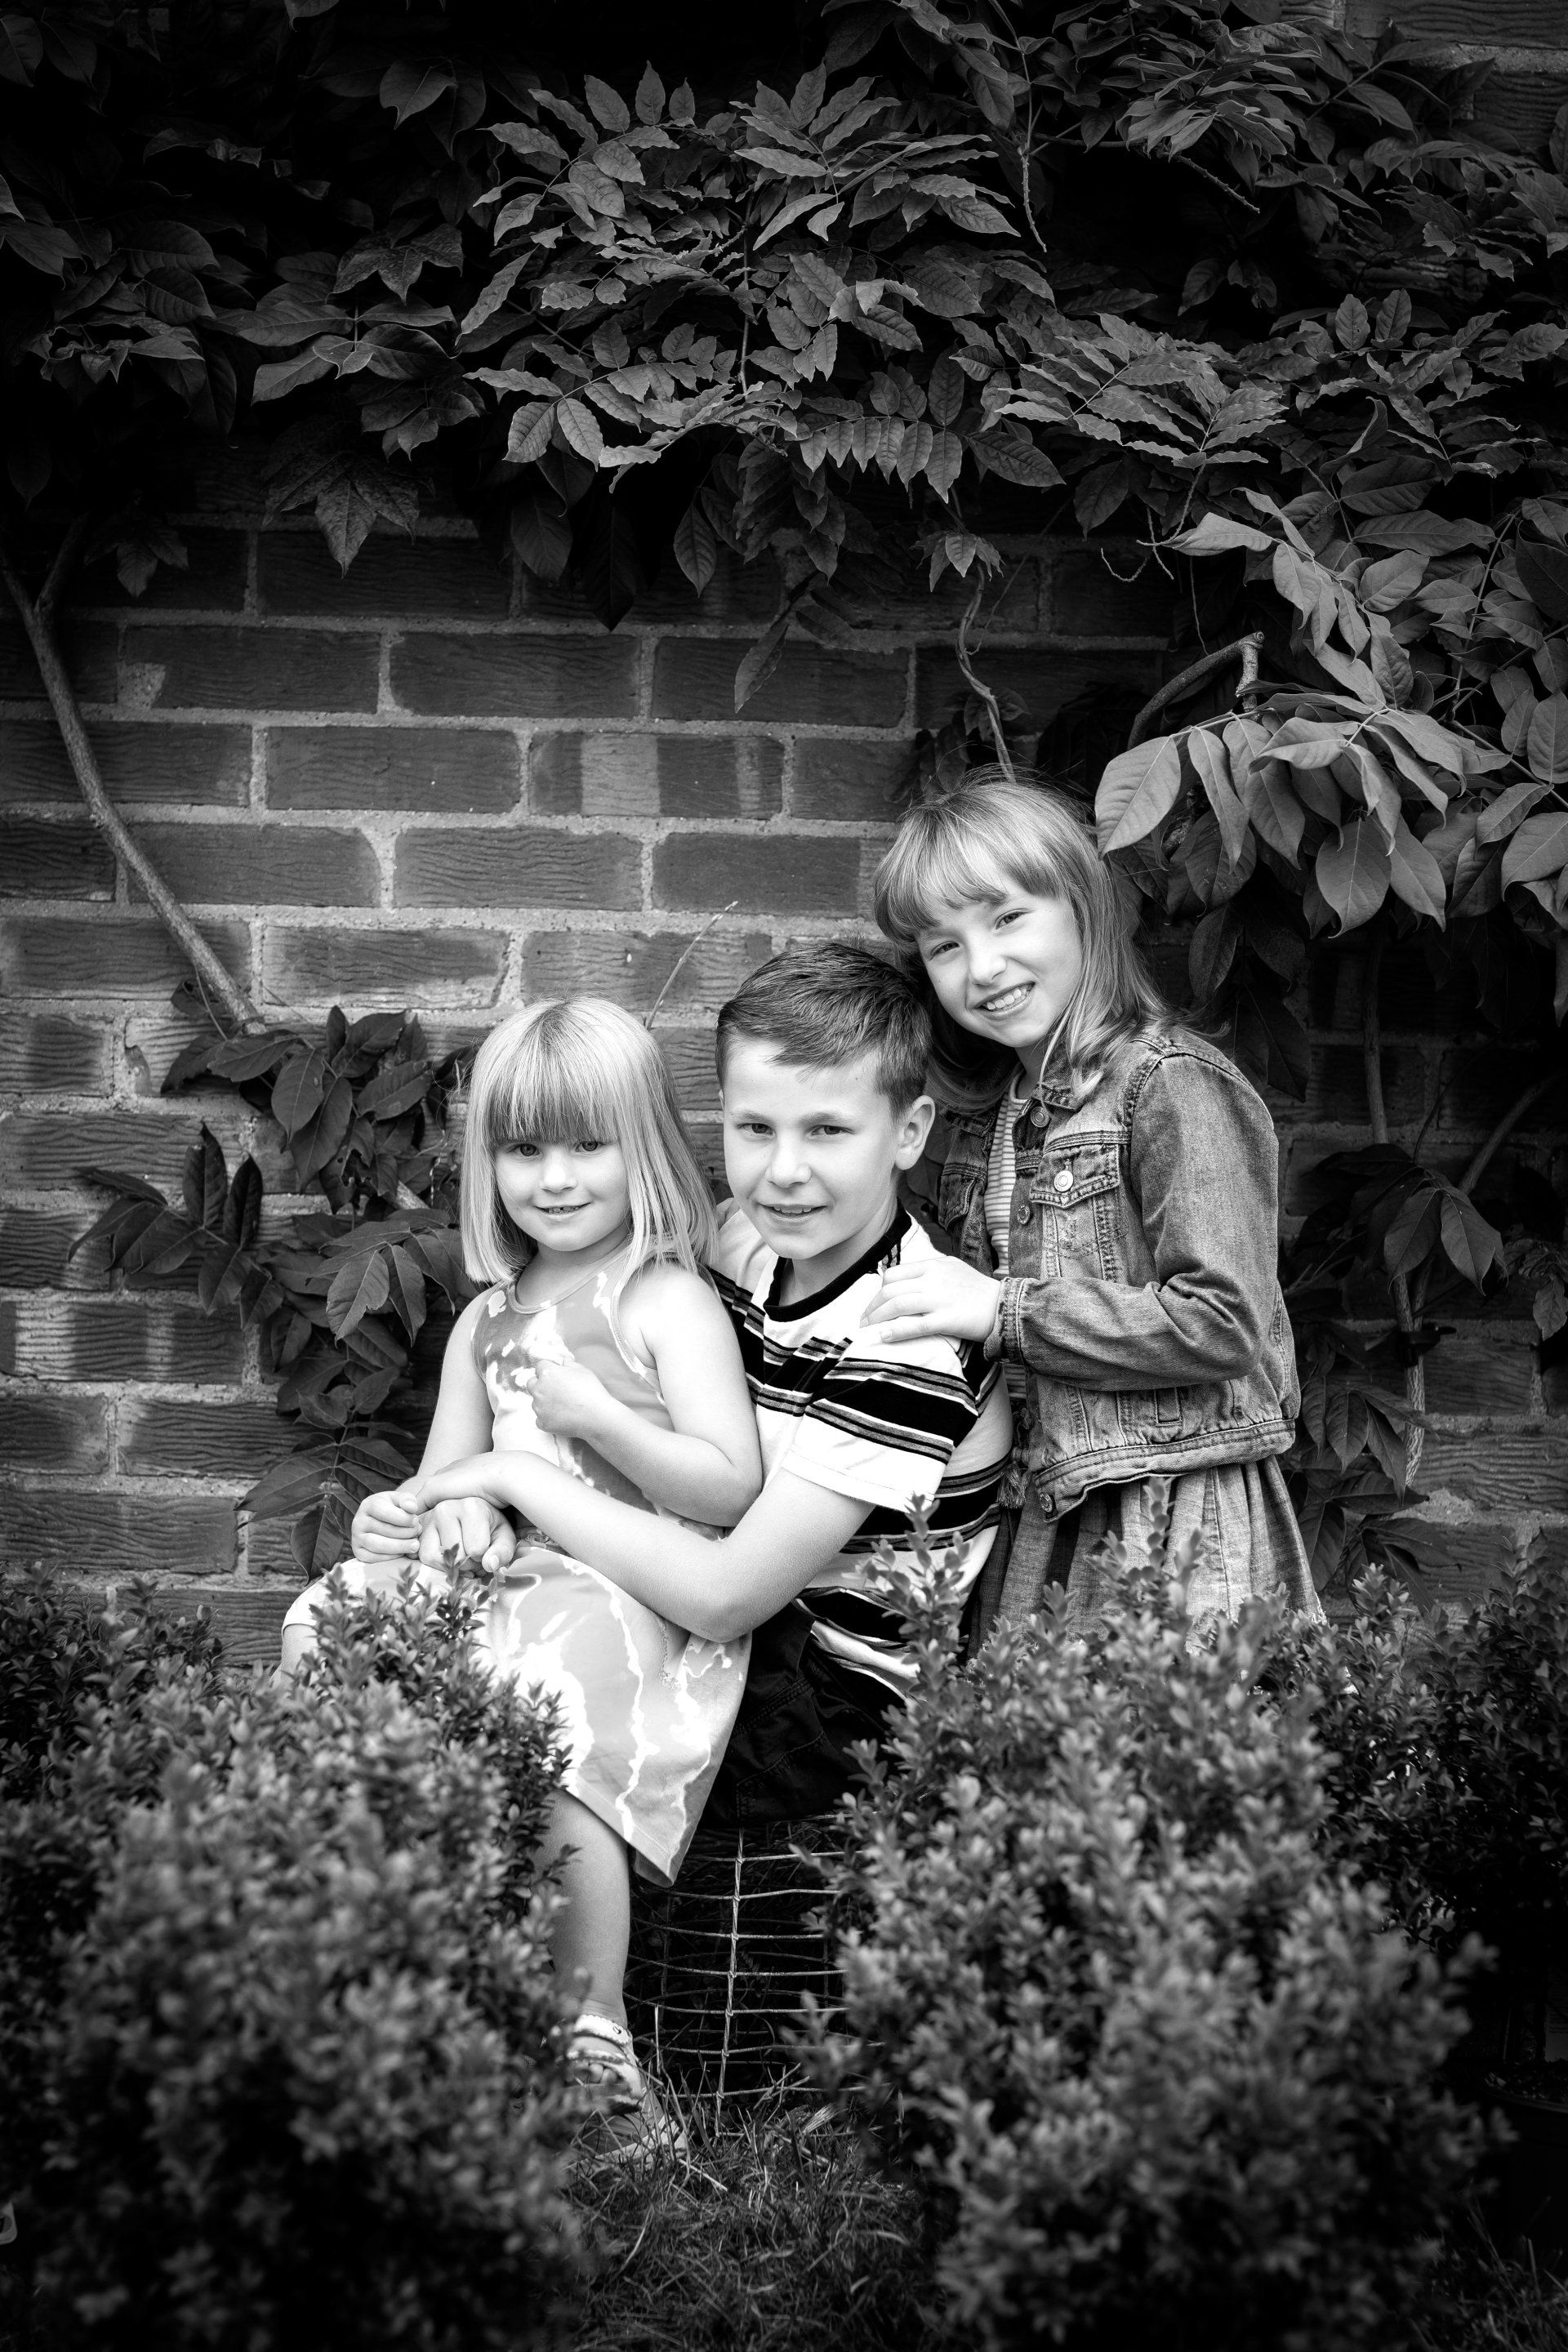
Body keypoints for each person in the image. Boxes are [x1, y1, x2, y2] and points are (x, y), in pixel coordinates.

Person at [279, 998, 764, 2158]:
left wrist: (600, 1417)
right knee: (320, 1621)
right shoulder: (486, 1321)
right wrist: (424, 1518)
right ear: (487, 1163)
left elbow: (726, 1485)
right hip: (512, 1581)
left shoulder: (666, 1299)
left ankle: (591, 2037)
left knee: (542, 1708)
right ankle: (335, 1921)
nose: (553, 1178)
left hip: (629, 1588)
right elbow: (453, 1478)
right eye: (522, 1148)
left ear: (643, 1147)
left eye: (586, 1146)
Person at [411, 942, 1014, 1841]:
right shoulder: (745, 1244)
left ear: (911, 1132)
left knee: (530, 1700)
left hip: (825, 1704)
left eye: (828, 1131)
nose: (784, 1171)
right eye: (755, 1129)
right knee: (423, 1649)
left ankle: (581, 1983)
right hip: (717, 1623)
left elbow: (728, 1595)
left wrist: (511, 1478)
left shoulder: (906, 1337)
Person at [862, 769, 1319, 1633]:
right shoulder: (995, 1117)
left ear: (1081, 905)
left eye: (1007, 918)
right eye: (943, 945)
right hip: (1043, 1504)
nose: (983, 967)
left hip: (1170, 1515)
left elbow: (1225, 1323)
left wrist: (1006, 1311)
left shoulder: (1169, 1086)